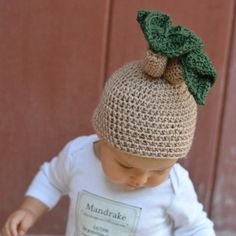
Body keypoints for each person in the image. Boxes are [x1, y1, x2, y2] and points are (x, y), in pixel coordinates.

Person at [0, 10, 217, 236]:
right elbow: (51, 180)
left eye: (159, 170)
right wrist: (29, 210)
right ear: (103, 138)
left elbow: (196, 227)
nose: (140, 179)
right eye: (126, 165)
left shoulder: (174, 185)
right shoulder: (78, 156)